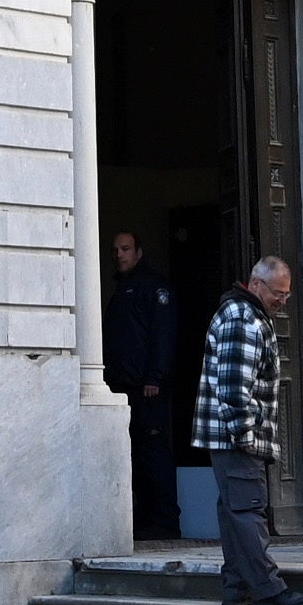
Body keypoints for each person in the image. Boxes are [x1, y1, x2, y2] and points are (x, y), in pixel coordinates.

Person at [193, 257, 303, 605]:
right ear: (257, 284)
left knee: (234, 511)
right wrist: (245, 435)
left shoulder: (245, 315)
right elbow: (232, 388)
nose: (282, 301)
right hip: (238, 438)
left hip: (230, 438)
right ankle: (267, 589)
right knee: (247, 511)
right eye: (278, 293)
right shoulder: (244, 319)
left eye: (287, 295)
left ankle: (237, 585)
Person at [107, 228, 185, 540]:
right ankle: (143, 521)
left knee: (154, 454)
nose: (119, 255)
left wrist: (155, 376)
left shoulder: (154, 289)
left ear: (138, 252)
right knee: (135, 456)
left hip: (147, 388)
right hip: (124, 387)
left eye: (125, 249)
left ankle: (165, 521)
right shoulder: (122, 289)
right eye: (115, 250)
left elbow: (163, 335)